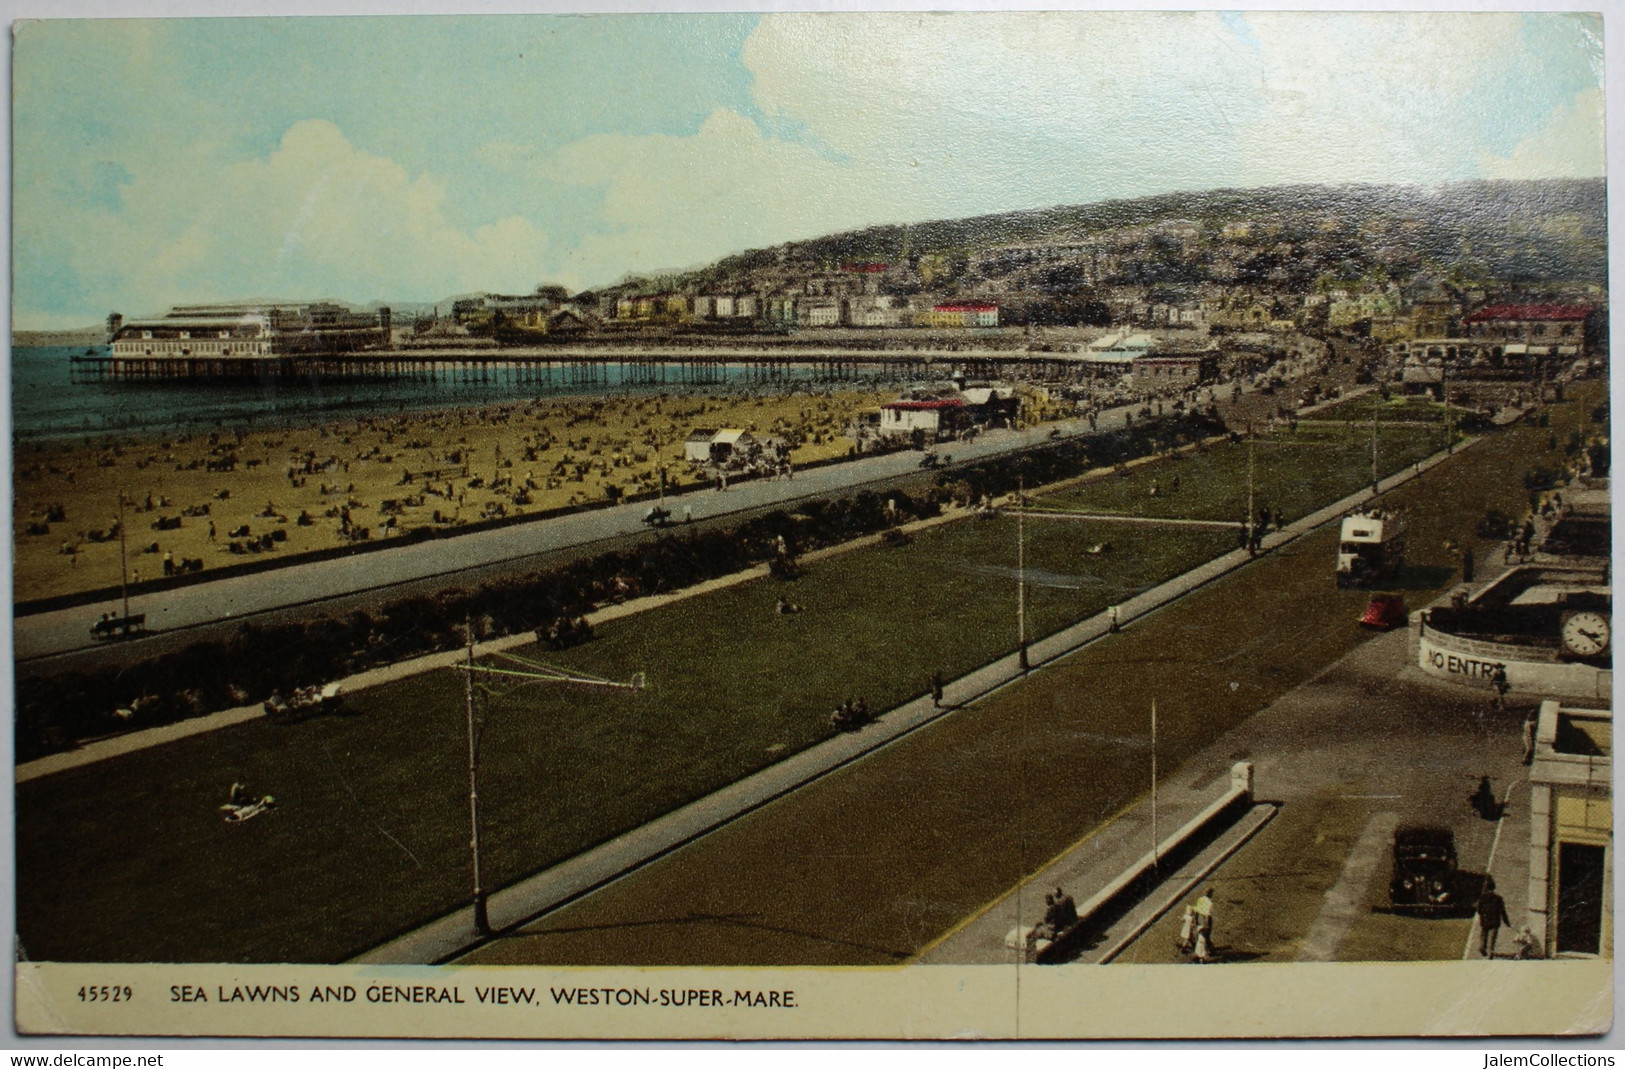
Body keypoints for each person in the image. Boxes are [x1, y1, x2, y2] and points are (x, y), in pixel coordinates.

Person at [1476, 877, 1510, 958]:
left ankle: (1482, 947)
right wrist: (1506, 922)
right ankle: (1491, 952)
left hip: (1485, 919)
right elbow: (1502, 911)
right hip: (1495, 920)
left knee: (1484, 935)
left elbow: (1478, 909)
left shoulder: (1482, 898)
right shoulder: (1498, 898)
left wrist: (1482, 915)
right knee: (1492, 938)